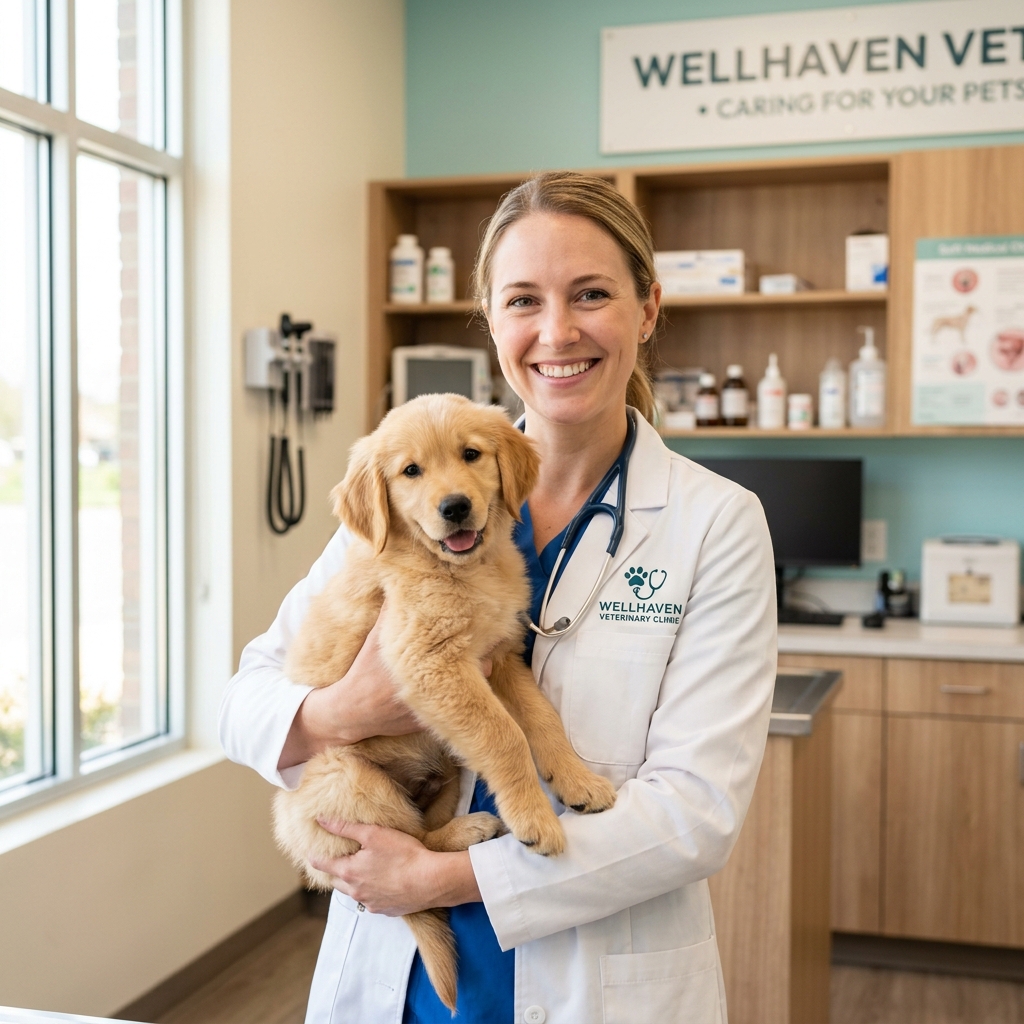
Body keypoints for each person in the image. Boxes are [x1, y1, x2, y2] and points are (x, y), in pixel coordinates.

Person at [220, 172, 777, 1024]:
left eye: (591, 294)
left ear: (648, 309)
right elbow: (243, 701)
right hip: (395, 970)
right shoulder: (403, 500)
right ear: (491, 320)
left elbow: (697, 814)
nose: (558, 331)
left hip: (587, 972)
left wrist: (442, 875)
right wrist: (347, 710)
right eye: (524, 300)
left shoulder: (716, 524)